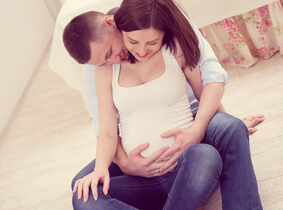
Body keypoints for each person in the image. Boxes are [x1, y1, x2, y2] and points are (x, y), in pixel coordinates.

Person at [63, 1, 264, 209]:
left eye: (109, 53)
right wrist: (119, 164)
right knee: (83, 190)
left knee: (211, 151)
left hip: (189, 140)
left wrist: (226, 124)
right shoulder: (101, 65)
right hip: (141, 177)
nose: (112, 60)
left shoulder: (169, 35)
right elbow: (105, 128)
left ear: (110, 23)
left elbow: (208, 83)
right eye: (104, 60)